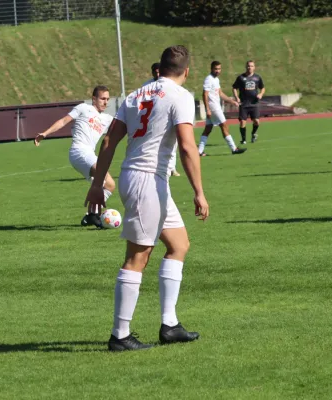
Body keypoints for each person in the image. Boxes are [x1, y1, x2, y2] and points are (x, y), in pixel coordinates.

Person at [85, 45, 209, 352]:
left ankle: (170, 325)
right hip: (146, 181)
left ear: (161, 67)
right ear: (186, 71)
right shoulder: (180, 96)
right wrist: (198, 192)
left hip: (144, 180)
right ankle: (120, 335)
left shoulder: (136, 94)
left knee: (179, 245)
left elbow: (109, 142)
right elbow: (187, 146)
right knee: (137, 257)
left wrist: (98, 183)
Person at [34, 85, 114, 227]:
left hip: (90, 153)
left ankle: (90, 215)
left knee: (110, 185)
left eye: (107, 99)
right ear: (94, 99)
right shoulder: (83, 108)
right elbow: (64, 121)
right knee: (100, 174)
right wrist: (45, 133)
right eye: (102, 98)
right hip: (79, 151)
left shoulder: (107, 118)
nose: (105, 102)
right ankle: (95, 214)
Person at [197, 61, 246, 156]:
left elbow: (220, 93)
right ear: (211, 69)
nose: (218, 71)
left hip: (215, 107)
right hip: (213, 107)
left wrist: (232, 101)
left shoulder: (216, 80)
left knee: (208, 128)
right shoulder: (209, 79)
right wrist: (208, 109)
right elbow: (205, 94)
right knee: (224, 125)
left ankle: (199, 151)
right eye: (216, 69)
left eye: (219, 69)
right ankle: (234, 148)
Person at [232, 60, 265, 144]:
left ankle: (253, 134)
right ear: (246, 67)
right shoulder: (241, 77)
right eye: (248, 66)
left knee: (256, 121)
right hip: (244, 104)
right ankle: (243, 140)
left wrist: (261, 94)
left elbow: (262, 88)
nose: (249, 67)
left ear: (254, 67)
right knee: (243, 122)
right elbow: (234, 87)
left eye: (251, 66)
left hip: (254, 103)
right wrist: (236, 97)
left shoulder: (257, 77)